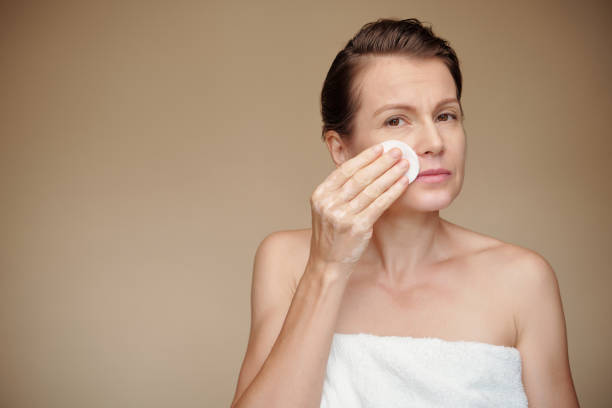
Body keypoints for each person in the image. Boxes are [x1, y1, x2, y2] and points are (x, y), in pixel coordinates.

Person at [230, 18, 580, 407]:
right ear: (340, 149)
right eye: (396, 120)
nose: (434, 142)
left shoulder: (523, 280)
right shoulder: (288, 262)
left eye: (446, 115)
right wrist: (327, 268)